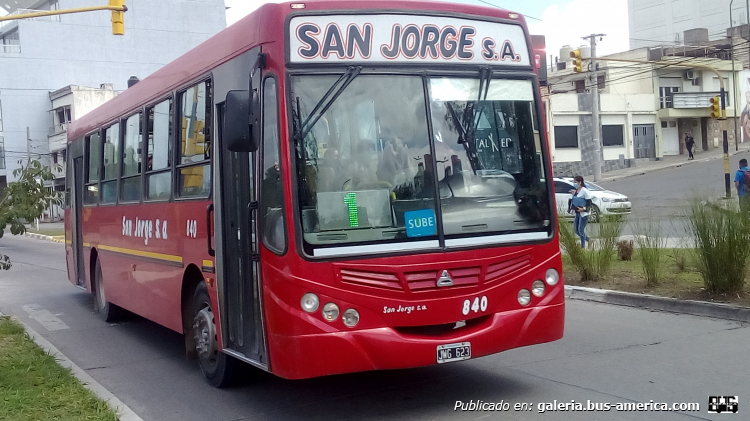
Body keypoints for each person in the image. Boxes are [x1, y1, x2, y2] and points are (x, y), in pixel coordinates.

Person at [570, 175, 593, 248]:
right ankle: (588, 240)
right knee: (576, 230)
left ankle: (583, 246)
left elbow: (589, 203)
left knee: (580, 230)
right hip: (577, 212)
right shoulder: (577, 190)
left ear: (580, 182)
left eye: (575, 182)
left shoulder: (585, 191)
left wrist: (583, 209)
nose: (574, 183)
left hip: (583, 213)